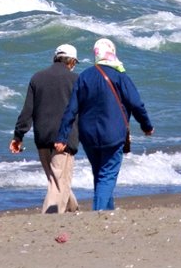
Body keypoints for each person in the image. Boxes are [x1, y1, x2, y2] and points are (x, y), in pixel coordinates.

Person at [54, 38, 153, 211]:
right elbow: (136, 104)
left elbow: (71, 110)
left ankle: (108, 211)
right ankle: (98, 213)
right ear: (112, 52)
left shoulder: (84, 76)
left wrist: (62, 137)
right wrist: (146, 126)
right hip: (113, 134)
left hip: (89, 136)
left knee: (99, 174)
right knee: (107, 175)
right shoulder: (120, 76)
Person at [10, 43, 81, 213]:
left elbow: (27, 111)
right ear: (71, 61)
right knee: (58, 182)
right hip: (64, 139)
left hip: (42, 138)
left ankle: (74, 211)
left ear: (55, 58)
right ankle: (49, 219)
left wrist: (18, 136)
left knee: (56, 180)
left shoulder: (37, 78)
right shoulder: (76, 80)